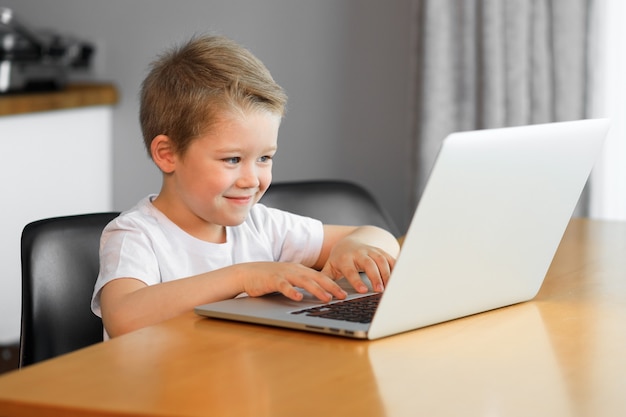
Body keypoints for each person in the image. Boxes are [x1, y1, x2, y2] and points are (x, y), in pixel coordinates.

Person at [91, 34, 400, 339]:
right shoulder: (136, 235)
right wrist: (243, 276)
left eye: (264, 157)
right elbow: (124, 317)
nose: (251, 180)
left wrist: (354, 248)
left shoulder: (262, 225)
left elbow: (381, 237)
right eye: (233, 159)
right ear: (167, 154)